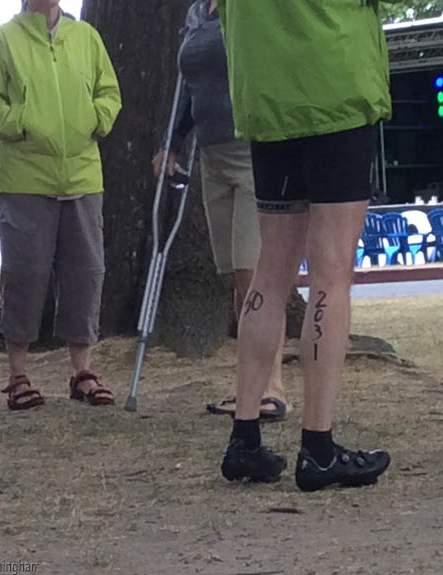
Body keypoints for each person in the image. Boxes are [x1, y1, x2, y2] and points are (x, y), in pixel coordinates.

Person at [217, 0, 395, 491]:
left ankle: (244, 438)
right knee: (331, 272)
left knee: (270, 270)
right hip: (333, 89)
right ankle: (318, 447)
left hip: (267, 99)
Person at [0, 0, 122, 410]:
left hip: (82, 178)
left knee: (86, 274)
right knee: (24, 275)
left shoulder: (86, 37)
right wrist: (23, 125)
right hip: (24, 180)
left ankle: (83, 372)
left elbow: (109, 93)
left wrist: (95, 118)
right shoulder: (5, 38)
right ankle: (17, 375)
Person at [153, 0, 289, 422]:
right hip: (210, 154)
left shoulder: (250, 7)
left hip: (253, 148)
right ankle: (250, 385)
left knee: (255, 273)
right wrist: (172, 142)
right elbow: (188, 85)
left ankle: (273, 388)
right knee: (235, 274)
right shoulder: (197, 13)